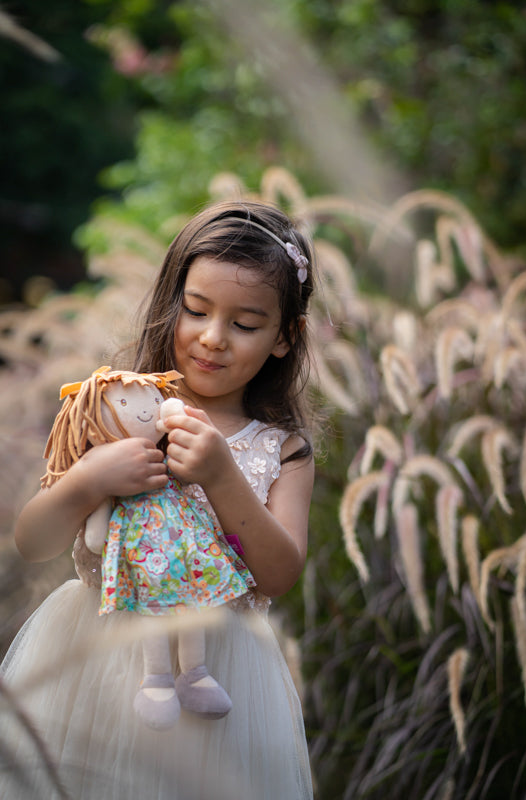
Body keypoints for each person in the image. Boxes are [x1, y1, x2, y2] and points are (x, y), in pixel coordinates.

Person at [0, 200, 316, 799]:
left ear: (284, 337)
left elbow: (276, 576)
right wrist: (90, 477)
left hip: (222, 680)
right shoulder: (111, 412)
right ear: (172, 303)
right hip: (92, 666)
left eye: (245, 324)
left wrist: (222, 475)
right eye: (195, 311)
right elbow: (32, 541)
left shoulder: (282, 452)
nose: (212, 338)